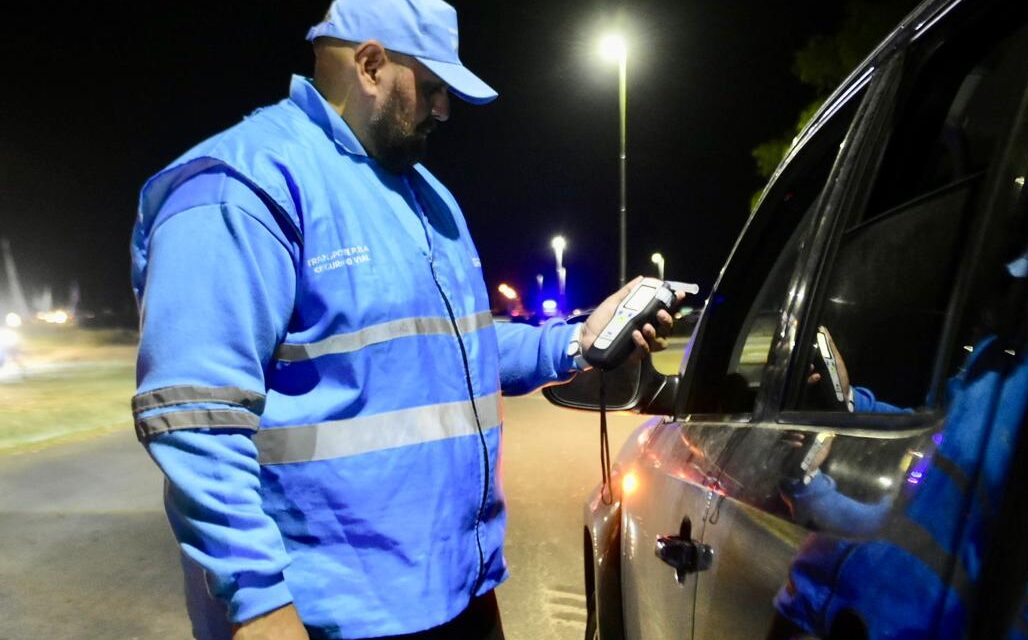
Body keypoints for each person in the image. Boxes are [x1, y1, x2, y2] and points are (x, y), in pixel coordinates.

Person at [129, 1, 675, 638]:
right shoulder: (240, 186)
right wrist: (260, 608)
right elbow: (198, 418)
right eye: (435, 89)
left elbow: (458, 347)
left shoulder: (425, 196)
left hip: (458, 596)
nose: (443, 111)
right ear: (369, 65)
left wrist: (577, 342)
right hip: (323, 619)